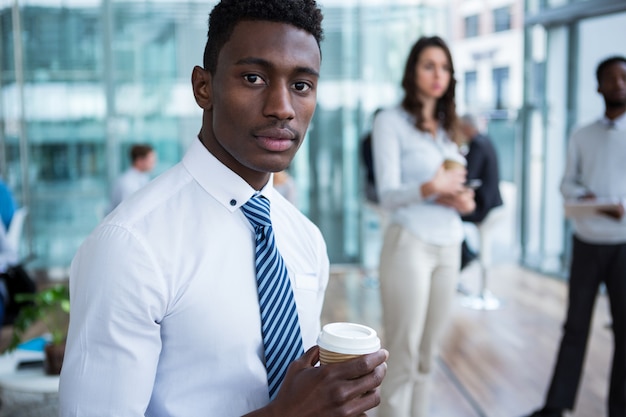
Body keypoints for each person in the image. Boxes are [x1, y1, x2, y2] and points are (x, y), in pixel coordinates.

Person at [59, 1, 388, 416]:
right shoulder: (130, 246)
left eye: (301, 86)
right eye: (254, 77)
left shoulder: (306, 239)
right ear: (203, 88)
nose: (282, 107)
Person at [372, 36, 475, 417]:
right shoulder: (390, 121)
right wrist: (433, 187)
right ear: (412, 71)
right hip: (409, 243)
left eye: (445, 67)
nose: (438, 74)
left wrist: (461, 199)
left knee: (428, 357)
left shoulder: (449, 130)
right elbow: (387, 194)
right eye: (429, 65)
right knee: (403, 355)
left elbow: (454, 190)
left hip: (449, 243)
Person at [524, 56, 626, 417]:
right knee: (575, 326)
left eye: (624, 76)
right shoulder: (582, 135)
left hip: (623, 246)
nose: (618, 83)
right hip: (586, 241)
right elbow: (567, 184)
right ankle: (556, 406)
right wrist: (588, 199)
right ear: (598, 86)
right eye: (610, 78)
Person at [457, 113, 503, 269]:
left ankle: (465, 256)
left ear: (467, 127)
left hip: (485, 206)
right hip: (494, 203)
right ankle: (466, 254)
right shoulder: (486, 140)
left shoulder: (477, 144)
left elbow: (469, 175)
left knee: (449, 215)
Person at [107, 144, 156, 212]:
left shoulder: (143, 178)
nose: (154, 164)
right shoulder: (127, 182)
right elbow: (127, 211)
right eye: (151, 161)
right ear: (139, 161)